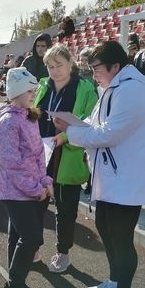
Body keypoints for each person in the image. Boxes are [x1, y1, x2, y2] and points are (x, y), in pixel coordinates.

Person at [52, 41, 145, 288]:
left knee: (121, 238)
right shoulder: (113, 87)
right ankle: (115, 281)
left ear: (115, 66)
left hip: (126, 179)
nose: (94, 74)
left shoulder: (132, 90)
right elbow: (96, 124)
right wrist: (74, 125)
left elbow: (109, 133)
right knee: (106, 228)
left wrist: (72, 133)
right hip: (112, 176)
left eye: (97, 68)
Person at [0, 67, 54, 288]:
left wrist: (45, 181)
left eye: (34, 90)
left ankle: (18, 284)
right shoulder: (9, 122)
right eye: (29, 91)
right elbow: (13, 165)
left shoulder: (29, 116)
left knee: (18, 236)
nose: (33, 94)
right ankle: (13, 287)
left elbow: (38, 154)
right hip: (14, 191)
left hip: (31, 188)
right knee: (31, 237)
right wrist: (35, 189)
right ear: (15, 92)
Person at [34, 43, 98, 273]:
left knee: (66, 209)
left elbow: (90, 121)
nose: (54, 71)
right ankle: (33, 246)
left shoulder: (85, 88)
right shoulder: (43, 86)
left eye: (59, 65)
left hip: (68, 156)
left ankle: (63, 253)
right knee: (36, 205)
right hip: (40, 155)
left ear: (71, 63)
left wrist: (65, 136)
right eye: (50, 66)